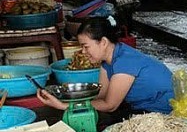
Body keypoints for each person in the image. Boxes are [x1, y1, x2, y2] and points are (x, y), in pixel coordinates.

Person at [37, 17, 175, 114]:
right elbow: (101, 96)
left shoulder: (125, 62)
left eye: (86, 46)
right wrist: (61, 97)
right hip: (143, 107)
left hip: (164, 110)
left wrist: (64, 106)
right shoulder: (107, 62)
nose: (83, 52)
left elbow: (110, 105)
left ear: (103, 42)